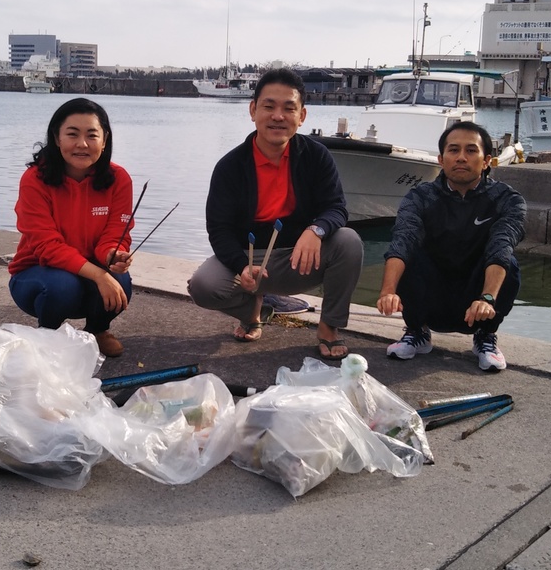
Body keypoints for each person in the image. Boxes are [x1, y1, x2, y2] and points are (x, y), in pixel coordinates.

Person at [187, 68, 364, 360]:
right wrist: (241, 265)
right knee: (203, 285)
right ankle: (252, 311)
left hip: (300, 257)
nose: (278, 116)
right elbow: (219, 229)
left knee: (348, 241)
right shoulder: (230, 166)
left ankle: (329, 326)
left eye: (288, 108)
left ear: (302, 116)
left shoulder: (316, 156)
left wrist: (316, 230)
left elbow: (336, 207)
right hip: (252, 258)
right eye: (269, 106)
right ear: (253, 110)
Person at [376, 121, 526, 372]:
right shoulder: (420, 197)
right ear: (441, 159)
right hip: (431, 294)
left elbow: (501, 245)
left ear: (487, 160)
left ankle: (485, 337)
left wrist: (487, 298)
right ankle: (417, 332)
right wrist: (387, 292)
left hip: (477, 302)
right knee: (408, 253)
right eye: (453, 150)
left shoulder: (507, 200)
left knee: (508, 263)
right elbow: (403, 239)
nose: (461, 158)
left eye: (471, 151)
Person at [8, 98, 134, 357]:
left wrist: (113, 254)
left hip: (88, 269)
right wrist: (99, 275)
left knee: (121, 280)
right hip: (37, 271)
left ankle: (97, 332)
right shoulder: (34, 180)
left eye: (92, 135)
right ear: (56, 138)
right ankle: (48, 336)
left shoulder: (119, 178)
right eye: (72, 134)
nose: (82, 144)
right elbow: (47, 246)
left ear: (105, 139)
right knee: (63, 286)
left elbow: (115, 235)